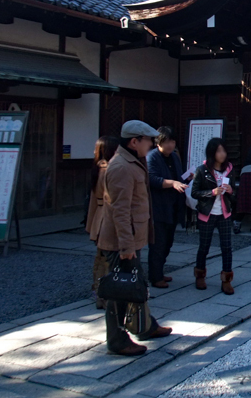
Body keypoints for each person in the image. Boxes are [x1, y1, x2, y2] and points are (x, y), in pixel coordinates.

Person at [98, 120, 172, 356]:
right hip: (123, 242)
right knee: (121, 291)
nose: (152, 144)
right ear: (134, 142)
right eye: (148, 140)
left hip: (131, 238)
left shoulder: (131, 162)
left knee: (136, 285)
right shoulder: (121, 166)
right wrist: (126, 246)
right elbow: (120, 210)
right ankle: (118, 339)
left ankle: (145, 326)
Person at [191, 137, 236, 295]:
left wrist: (230, 190)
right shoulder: (202, 170)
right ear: (212, 153)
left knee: (227, 247)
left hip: (224, 213)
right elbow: (194, 192)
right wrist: (212, 192)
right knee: (204, 246)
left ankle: (226, 279)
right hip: (207, 213)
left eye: (224, 150)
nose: (222, 154)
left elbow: (234, 193)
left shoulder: (229, 168)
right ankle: (200, 275)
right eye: (218, 151)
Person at [146, 126, 189, 289]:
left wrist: (187, 178)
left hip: (173, 207)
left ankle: (159, 271)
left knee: (168, 242)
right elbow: (152, 179)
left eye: (172, 141)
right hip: (158, 207)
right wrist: (172, 183)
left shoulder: (175, 157)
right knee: (158, 243)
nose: (170, 145)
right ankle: (155, 276)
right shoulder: (152, 157)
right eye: (166, 141)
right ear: (158, 142)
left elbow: (179, 178)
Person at [85, 135, 119, 310]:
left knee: (100, 258)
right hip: (107, 217)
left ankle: (98, 292)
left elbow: (92, 201)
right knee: (108, 259)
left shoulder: (97, 169)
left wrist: (90, 224)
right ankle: (105, 295)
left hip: (98, 215)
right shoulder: (109, 170)